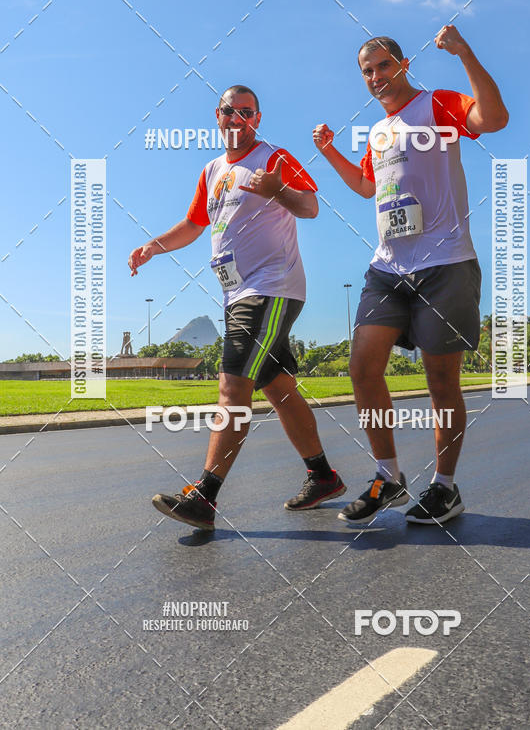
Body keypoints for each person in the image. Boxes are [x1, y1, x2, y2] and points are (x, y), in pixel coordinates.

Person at [312, 26, 508, 525]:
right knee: (362, 368)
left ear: (402, 64)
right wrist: (331, 150)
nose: (375, 76)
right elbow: (363, 185)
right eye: (366, 71)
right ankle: (389, 477)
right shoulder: (378, 133)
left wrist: (465, 52)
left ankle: (445, 486)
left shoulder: (435, 106)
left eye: (382, 65)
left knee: (441, 382)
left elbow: (494, 118)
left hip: (445, 265)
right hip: (388, 269)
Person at [129, 85, 345, 530]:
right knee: (279, 389)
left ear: (257, 119)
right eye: (230, 111)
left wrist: (277, 189)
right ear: (218, 115)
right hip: (236, 294)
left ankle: (204, 497)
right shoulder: (211, 171)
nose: (237, 119)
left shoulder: (274, 158)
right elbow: (193, 225)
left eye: (246, 112)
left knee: (231, 386)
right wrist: (153, 246)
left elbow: (310, 207)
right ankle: (323, 476)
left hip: (272, 288)